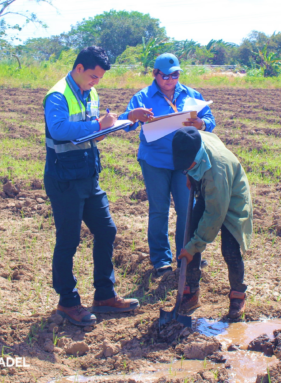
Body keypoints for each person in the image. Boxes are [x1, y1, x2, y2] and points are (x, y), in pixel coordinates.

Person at [43, 46, 139, 326]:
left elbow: (96, 131)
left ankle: (105, 295)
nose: (96, 82)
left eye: (100, 78)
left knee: (107, 230)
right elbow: (60, 130)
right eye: (93, 76)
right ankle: (68, 302)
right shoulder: (58, 95)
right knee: (69, 240)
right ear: (79, 68)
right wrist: (98, 124)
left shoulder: (91, 93)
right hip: (64, 179)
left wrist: (127, 120)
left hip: (87, 175)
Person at [120, 53, 216, 276]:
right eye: (165, 76)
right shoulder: (143, 96)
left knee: (187, 210)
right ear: (155, 74)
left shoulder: (191, 95)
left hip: (185, 162)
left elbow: (210, 121)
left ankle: (188, 255)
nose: (171, 79)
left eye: (175, 75)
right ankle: (161, 260)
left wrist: (202, 123)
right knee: (159, 210)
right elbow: (126, 124)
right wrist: (134, 115)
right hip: (155, 160)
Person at [172, 127, 253, 319]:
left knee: (230, 249)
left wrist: (194, 246)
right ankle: (191, 291)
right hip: (211, 187)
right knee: (191, 233)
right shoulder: (192, 140)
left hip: (233, 197)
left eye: (188, 166)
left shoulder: (216, 172)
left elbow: (214, 216)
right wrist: (190, 174)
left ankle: (237, 295)